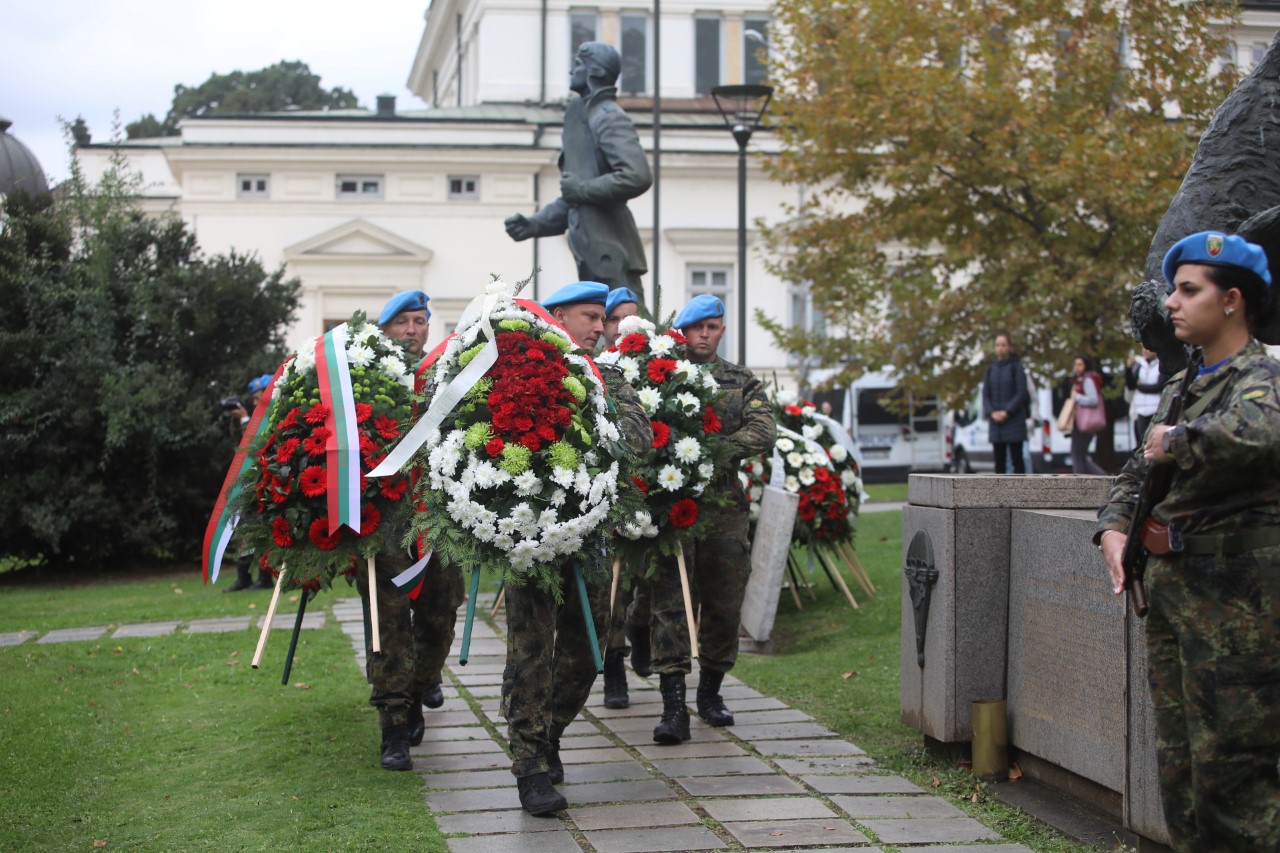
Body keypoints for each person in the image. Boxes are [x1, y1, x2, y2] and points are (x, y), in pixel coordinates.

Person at [1096, 231, 1280, 851]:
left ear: (1231, 300)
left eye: (1187, 290)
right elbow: (1137, 470)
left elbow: (1259, 433)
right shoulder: (1185, 386)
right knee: (1180, 774)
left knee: (1235, 776)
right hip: (1175, 598)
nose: (1171, 302)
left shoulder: (1260, 377)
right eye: (1175, 289)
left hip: (1235, 609)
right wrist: (1115, 527)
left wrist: (1176, 441)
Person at [503, 280, 651, 816]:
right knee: (530, 649)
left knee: (587, 651)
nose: (599, 327)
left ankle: (551, 733)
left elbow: (638, 439)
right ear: (557, 315)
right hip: (528, 538)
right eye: (590, 316)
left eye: (603, 318)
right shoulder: (517, 373)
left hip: (589, 536)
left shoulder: (608, 376)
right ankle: (530, 765)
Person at [649, 294, 776, 744]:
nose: (705, 334)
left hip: (722, 507)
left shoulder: (739, 380)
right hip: (672, 505)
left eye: (714, 326)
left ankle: (711, 692)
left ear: (722, 330)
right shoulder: (659, 374)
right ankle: (672, 707)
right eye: (697, 326)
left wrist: (710, 452)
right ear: (682, 330)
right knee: (671, 602)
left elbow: (763, 430)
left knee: (724, 600)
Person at [361, 289, 468, 773]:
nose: (412, 329)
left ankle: (423, 687)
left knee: (439, 615)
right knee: (389, 625)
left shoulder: (445, 378)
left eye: (420, 321)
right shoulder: (366, 380)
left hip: (440, 519)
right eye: (402, 321)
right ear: (384, 330)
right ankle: (394, 726)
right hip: (386, 521)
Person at [504, 42, 652, 292]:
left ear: (594, 71)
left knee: (626, 325)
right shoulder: (585, 117)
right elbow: (574, 200)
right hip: (593, 251)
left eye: (577, 65)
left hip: (612, 253)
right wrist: (534, 224)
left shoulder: (608, 116)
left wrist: (583, 189)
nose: (571, 73)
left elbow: (637, 175)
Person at [224, 374, 276, 592]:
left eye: (258, 399)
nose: (254, 404)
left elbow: (255, 446)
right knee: (245, 531)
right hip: (249, 487)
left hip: (265, 487)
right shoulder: (255, 419)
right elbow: (239, 446)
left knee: (259, 532)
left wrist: (246, 419)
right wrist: (237, 419)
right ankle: (244, 576)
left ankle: (264, 578)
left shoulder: (272, 417)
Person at [982, 333, 1030, 474]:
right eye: (998, 345)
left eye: (1003, 345)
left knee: (1017, 460)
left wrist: (1007, 412)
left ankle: (1019, 494)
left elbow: (1021, 393)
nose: (1001, 348)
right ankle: (1000, 494)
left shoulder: (1017, 368)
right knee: (999, 463)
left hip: (1014, 421)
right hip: (996, 424)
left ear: (1009, 347)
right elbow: (985, 395)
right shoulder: (990, 370)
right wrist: (992, 412)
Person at [1069, 355, 1107, 475]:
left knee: (1078, 456)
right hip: (1080, 423)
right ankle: (1099, 478)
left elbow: (1093, 400)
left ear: (1086, 365)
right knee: (1079, 456)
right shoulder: (1081, 380)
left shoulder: (1088, 380)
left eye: (1080, 364)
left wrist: (1077, 397)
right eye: (1076, 364)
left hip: (1084, 423)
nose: (1077, 368)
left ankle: (1098, 478)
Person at [1125, 347, 1162, 447]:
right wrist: (1128, 369)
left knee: (1154, 441)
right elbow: (1131, 385)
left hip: (1155, 409)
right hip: (1141, 409)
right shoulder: (1140, 366)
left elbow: (1158, 386)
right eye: (1144, 348)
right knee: (1142, 442)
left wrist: (1140, 386)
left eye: (1149, 348)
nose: (1145, 351)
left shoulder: (1161, 365)